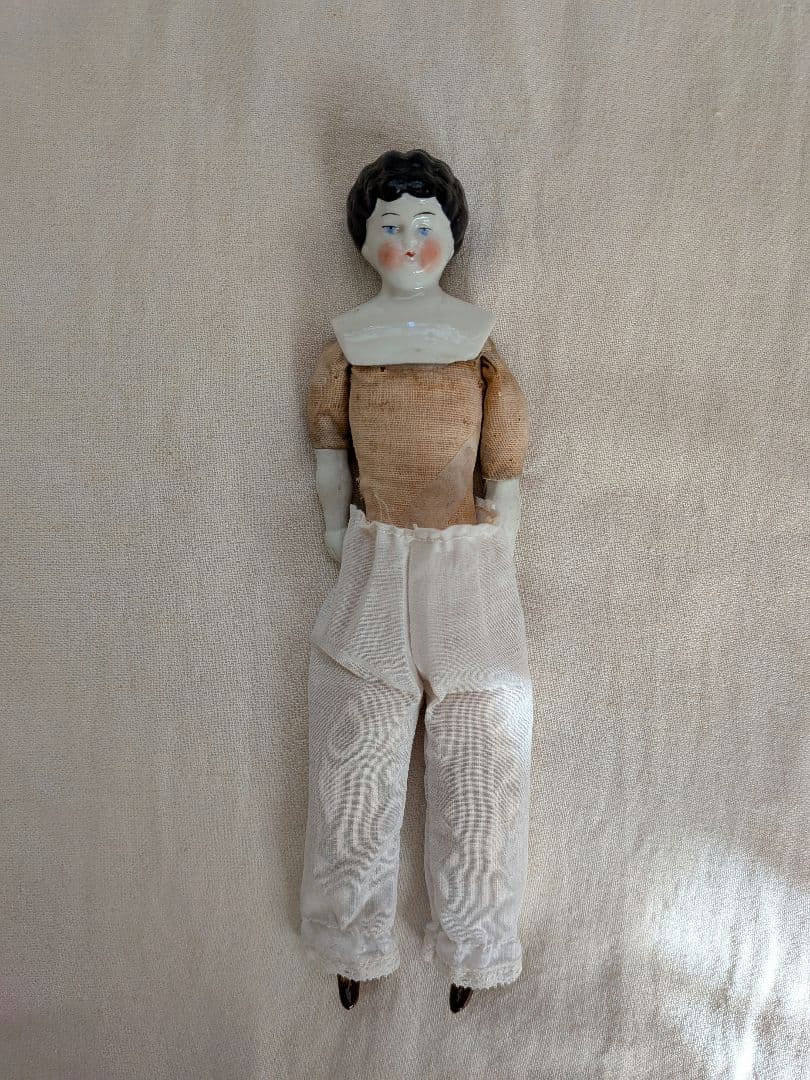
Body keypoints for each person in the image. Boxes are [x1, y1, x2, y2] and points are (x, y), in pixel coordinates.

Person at [299, 149, 534, 1014]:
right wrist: (337, 525)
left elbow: (504, 447)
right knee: (356, 740)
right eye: (389, 225)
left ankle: (478, 940)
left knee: (481, 742)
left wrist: (503, 525)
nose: (406, 240)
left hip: (467, 561)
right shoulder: (346, 347)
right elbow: (330, 446)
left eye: (423, 226)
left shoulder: (476, 343)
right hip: (374, 555)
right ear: (364, 242)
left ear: (451, 240)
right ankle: (348, 936)